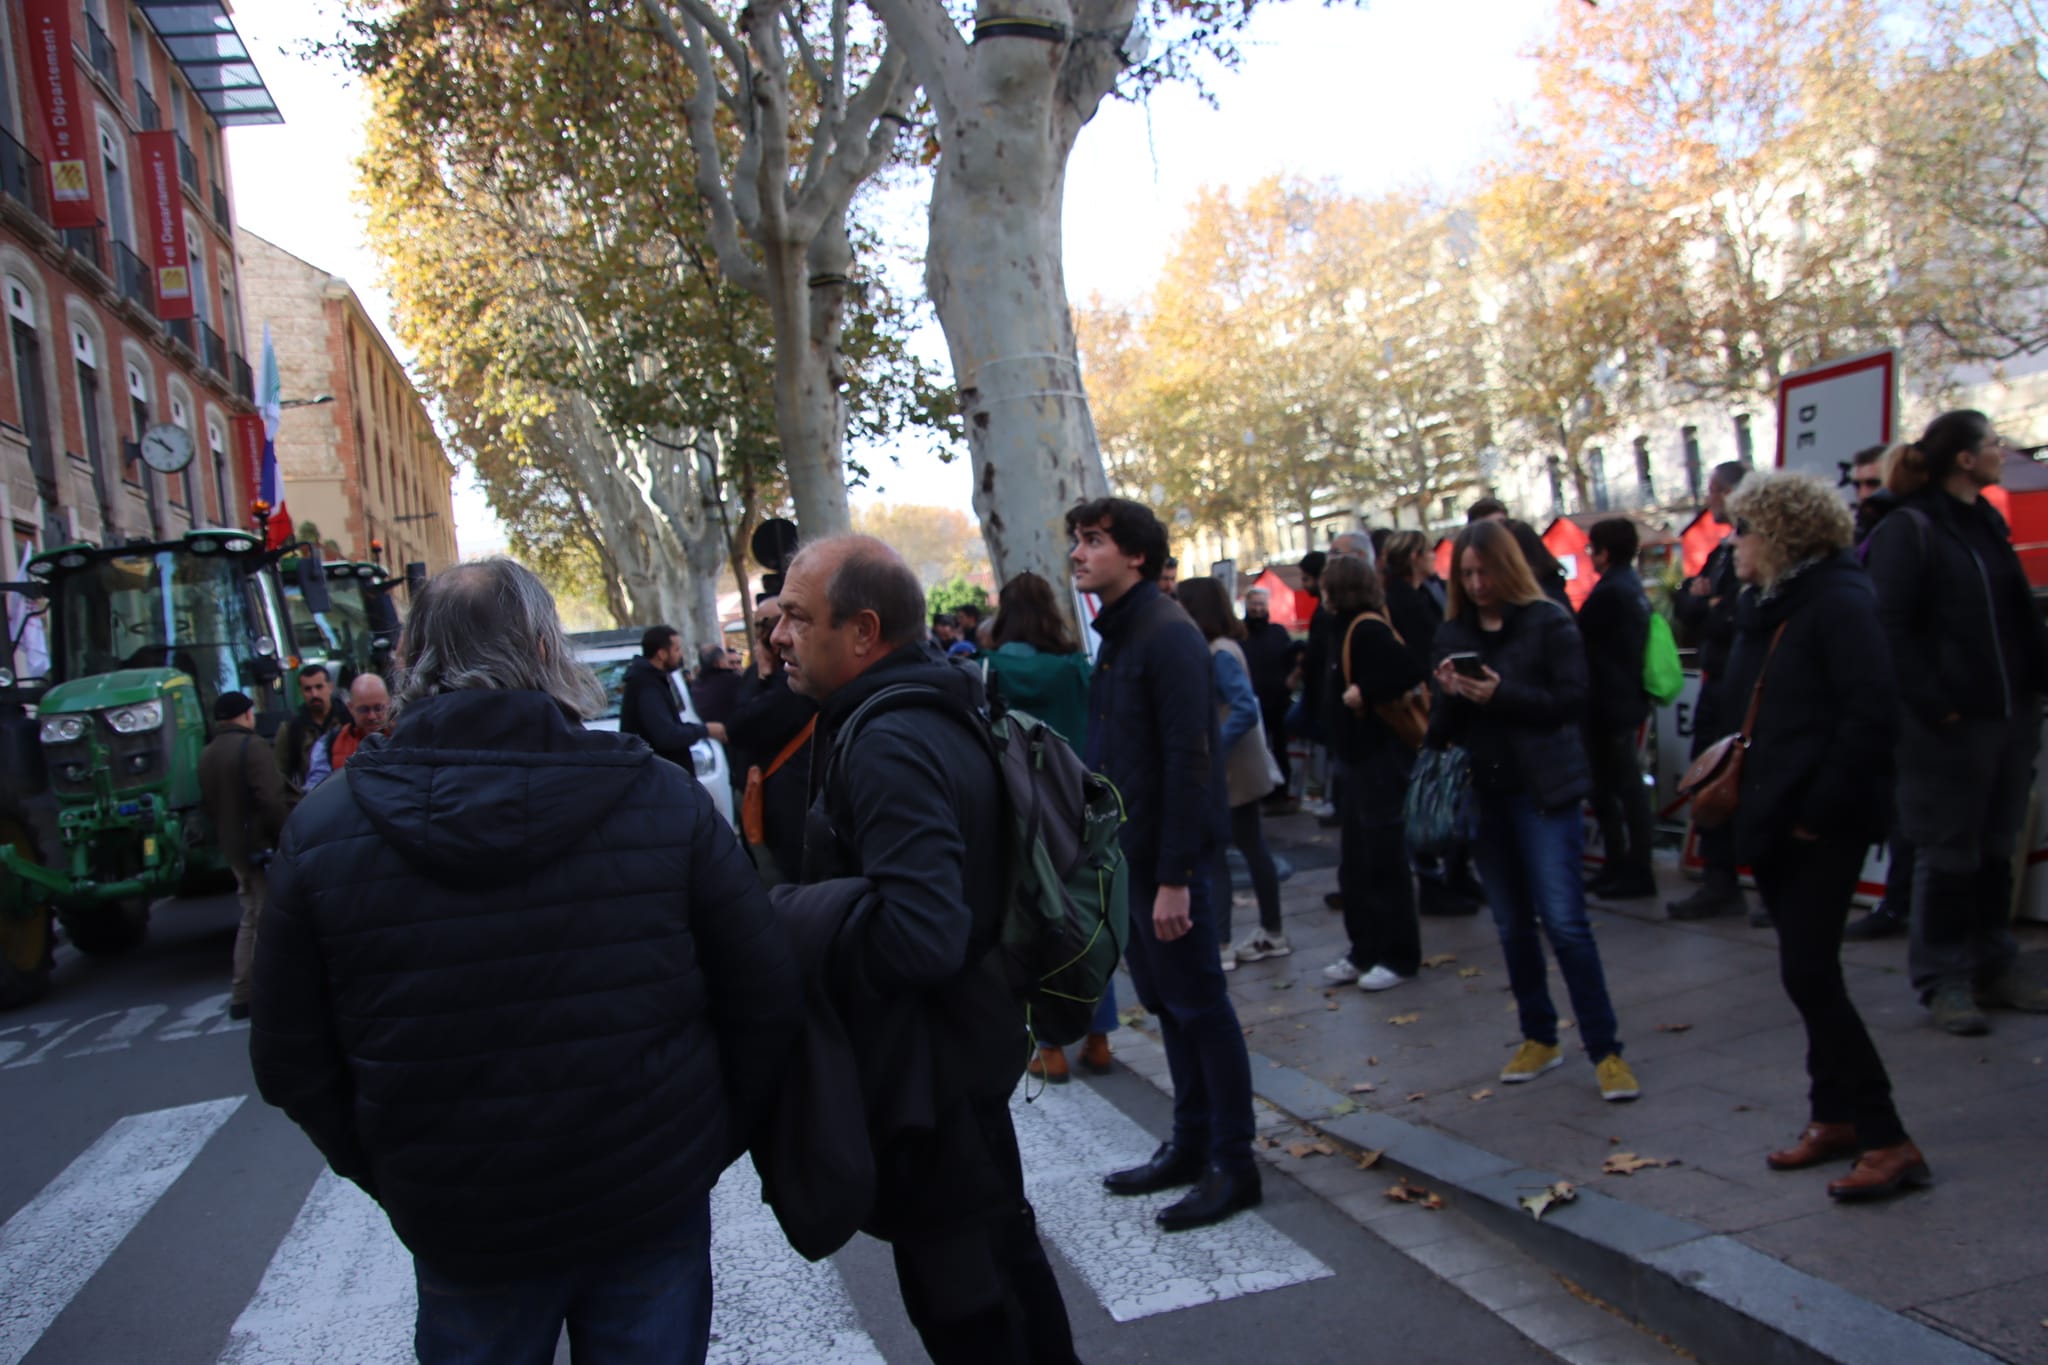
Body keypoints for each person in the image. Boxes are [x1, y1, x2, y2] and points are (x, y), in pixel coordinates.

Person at [250, 558, 800, 1365]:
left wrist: (398, 1172)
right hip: (643, 1200)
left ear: (410, 661)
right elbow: (766, 999)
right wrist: (695, 1146)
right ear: (548, 649)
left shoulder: (326, 829)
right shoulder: (658, 798)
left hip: (467, 1218)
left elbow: (290, 1059)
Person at [770, 536, 1079, 1363]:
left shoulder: (889, 739)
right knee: (999, 1276)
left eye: (798, 618)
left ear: (864, 631)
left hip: (931, 1082)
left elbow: (922, 931)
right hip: (951, 1063)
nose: (776, 635)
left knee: (974, 1310)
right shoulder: (918, 710)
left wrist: (791, 915)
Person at [1719, 471, 1928, 1200]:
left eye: (1743, 528)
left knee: (1811, 972)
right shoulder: (1772, 603)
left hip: (1817, 821)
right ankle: (1833, 1114)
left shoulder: (1838, 601)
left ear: (1778, 534)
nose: (1732, 541)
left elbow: (1870, 715)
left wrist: (1817, 810)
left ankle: (1887, 1133)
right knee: (1806, 969)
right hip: (1778, 813)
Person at [1069, 497, 1260, 1231]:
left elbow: (1191, 758)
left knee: (1201, 1006)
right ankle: (1191, 1143)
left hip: (1168, 857)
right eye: (1078, 541)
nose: (1080, 554)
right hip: (1134, 852)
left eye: (1094, 541)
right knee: (1169, 1004)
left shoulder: (1168, 633)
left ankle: (1233, 1162)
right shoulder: (1120, 632)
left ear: (1137, 555)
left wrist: (1177, 874)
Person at [1429, 521, 1640, 1103]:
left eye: (1483, 572)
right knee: (1511, 924)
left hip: (1544, 791)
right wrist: (1449, 696)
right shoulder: (1452, 632)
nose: (1475, 584)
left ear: (1507, 568)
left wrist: (1502, 695)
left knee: (1566, 922)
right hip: (1484, 793)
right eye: (1465, 574)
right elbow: (1440, 734)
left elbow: (1571, 701)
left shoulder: (1547, 620)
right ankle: (1538, 1035)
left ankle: (1606, 1049)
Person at [1865, 411, 2048, 1036]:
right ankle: (1943, 978)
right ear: (1964, 459)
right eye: (1992, 443)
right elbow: (1888, 628)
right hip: (1948, 726)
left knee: (1997, 849)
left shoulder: (1986, 522)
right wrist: (1935, 703)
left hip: (2007, 714)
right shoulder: (1910, 530)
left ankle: (1992, 963)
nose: (2002, 449)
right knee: (1949, 854)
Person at [982, 570, 1119, 1084]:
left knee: (1034, 919)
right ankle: (1099, 1037)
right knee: (1091, 911)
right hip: (1077, 799)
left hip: (1018, 808)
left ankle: (1049, 1046)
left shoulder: (988, 667)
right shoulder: (1074, 668)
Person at [1317, 554, 1425, 992]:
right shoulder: (1348, 626)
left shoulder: (1367, 627)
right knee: (1358, 864)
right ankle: (1365, 949)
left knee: (1383, 862)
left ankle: (1398, 955)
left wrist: (1366, 691)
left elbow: (1408, 668)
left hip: (1378, 762)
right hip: (1358, 763)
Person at [1177, 577, 1290, 972]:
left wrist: (1213, 746)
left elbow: (1243, 707)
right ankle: (1268, 932)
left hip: (1233, 770)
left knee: (1227, 852)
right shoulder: (1220, 649)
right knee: (1246, 848)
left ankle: (1226, 940)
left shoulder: (1218, 653)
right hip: (1236, 767)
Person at [1670, 461, 1756, 923]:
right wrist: (1704, 601)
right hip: (1717, 680)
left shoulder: (1749, 544)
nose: (1707, 502)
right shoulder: (1723, 550)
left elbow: (1738, 614)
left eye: (1712, 492)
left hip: (1738, 685)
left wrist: (1709, 605)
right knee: (1711, 775)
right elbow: (1686, 602)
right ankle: (1719, 877)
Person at [1846, 441, 1914, 942]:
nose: (1867, 493)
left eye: (1876, 482)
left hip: (1908, 696)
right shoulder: (1862, 535)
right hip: (1873, 693)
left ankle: (1902, 904)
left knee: (1908, 811)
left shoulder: (1904, 531)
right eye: (1861, 484)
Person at [201, 691, 295, 1022]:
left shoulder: (209, 753)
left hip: (235, 848)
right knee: (260, 917)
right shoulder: (252, 747)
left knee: (250, 914)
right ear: (246, 714)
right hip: (259, 848)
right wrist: (287, 835)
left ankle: (246, 990)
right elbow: (270, 799)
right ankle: (250, 991)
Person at [1579, 519, 1659, 900]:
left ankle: (1633, 866)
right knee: (1622, 787)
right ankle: (1623, 863)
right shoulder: (1631, 587)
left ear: (1604, 552)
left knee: (1620, 788)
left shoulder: (1611, 592)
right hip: (1624, 699)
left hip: (1609, 704)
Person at [725, 597, 816, 886]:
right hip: (761, 793)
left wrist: (767, 675)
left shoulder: (803, 674)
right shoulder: (760, 673)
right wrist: (762, 674)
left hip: (791, 803)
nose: (775, 635)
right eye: (762, 626)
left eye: (768, 624)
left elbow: (744, 724)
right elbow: (738, 721)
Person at [620, 625, 723, 775]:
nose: (681, 655)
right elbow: (667, 735)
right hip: (659, 780)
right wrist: (705, 730)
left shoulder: (653, 680)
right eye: (677, 650)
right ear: (661, 654)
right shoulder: (646, 685)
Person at [1240, 587, 1303, 807]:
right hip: (1250, 703)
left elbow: (1297, 660)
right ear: (1246, 605)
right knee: (1253, 749)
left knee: (1280, 749)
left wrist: (1292, 678)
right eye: (1254, 604)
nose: (1257, 609)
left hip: (1278, 701)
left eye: (1261, 604)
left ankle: (1281, 794)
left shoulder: (1278, 632)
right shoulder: (1239, 634)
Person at [302, 673, 392, 793]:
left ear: (390, 704)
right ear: (351, 708)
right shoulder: (328, 744)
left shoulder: (404, 738)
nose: (372, 716)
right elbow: (314, 791)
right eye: (364, 710)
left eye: (378, 708)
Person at [274, 662, 347, 791]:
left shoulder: (348, 720)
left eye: (319, 687)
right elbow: (279, 776)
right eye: (308, 689)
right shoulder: (291, 730)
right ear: (301, 692)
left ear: (330, 687)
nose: (314, 694)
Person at [689, 642, 746, 729]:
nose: (735, 667)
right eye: (729, 662)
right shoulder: (732, 682)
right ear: (720, 663)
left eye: (739, 662)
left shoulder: (696, 686)